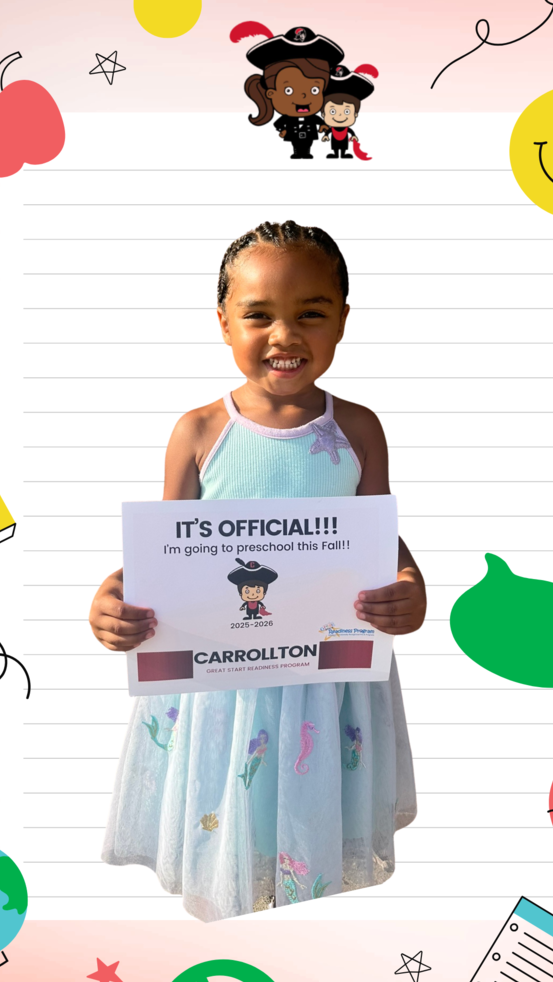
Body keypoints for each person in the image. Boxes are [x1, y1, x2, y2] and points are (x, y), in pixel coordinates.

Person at [89, 219, 424, 922]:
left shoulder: (358, 429)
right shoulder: (200, 431)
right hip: (221, 687)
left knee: (310, 838)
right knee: (230, 827)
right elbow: (165, 549)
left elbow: (382, 540)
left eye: (310, 314)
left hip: (325, 683)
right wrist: (113, 597)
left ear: (341, 322)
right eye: (258, 314)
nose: (284, 334)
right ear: (222, 322)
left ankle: (302, 956)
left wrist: (408, 590)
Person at [233, 24, 344, 159]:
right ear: (271, 93)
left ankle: (306, 153)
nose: (303, 95)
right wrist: (283, 130)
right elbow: (278, 123)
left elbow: (319, 121)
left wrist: (323, 126)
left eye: (314, 90)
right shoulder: (287, 117)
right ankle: (298, 153)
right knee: (296, 145)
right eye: (289, 90)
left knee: (307, 144)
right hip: (294, 135)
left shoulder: (313, 117)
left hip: (309, 135)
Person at [320, 64, 375, 159]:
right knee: (335, 146)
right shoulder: (331, 129)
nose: (340, 115)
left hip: (344, 139)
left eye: (346, 111)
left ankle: (343, 154)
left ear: (355, 114)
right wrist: (326, 135)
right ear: (323, 114)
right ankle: (336, 154)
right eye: (332, 111)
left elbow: (350, 131)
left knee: (344, 146)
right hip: (334, 139)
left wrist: (353, 136)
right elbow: (328, 131)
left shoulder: (346, 128)